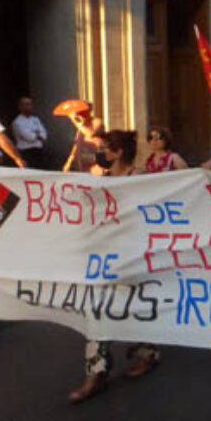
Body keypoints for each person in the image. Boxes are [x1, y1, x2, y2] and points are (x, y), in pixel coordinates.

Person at [69, 130, 159, 402]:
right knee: (96, 309)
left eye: (106, 149)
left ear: (119, 152)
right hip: (103, 257)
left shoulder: (139, 179)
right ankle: (96, 372)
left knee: (135, 305)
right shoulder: (100, 180)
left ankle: (147, 352)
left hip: (132, 255)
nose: (102, 153)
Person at [11, 97, 47, 169]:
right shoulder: (18, 122)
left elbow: (44, 134)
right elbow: (28, 137)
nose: (28, 107)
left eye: (30, 104)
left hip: (38, 150)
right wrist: (37, 134)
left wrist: (38, 135)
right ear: (20, 107)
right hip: (26, 151)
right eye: (26, 104)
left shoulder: (35, 119)